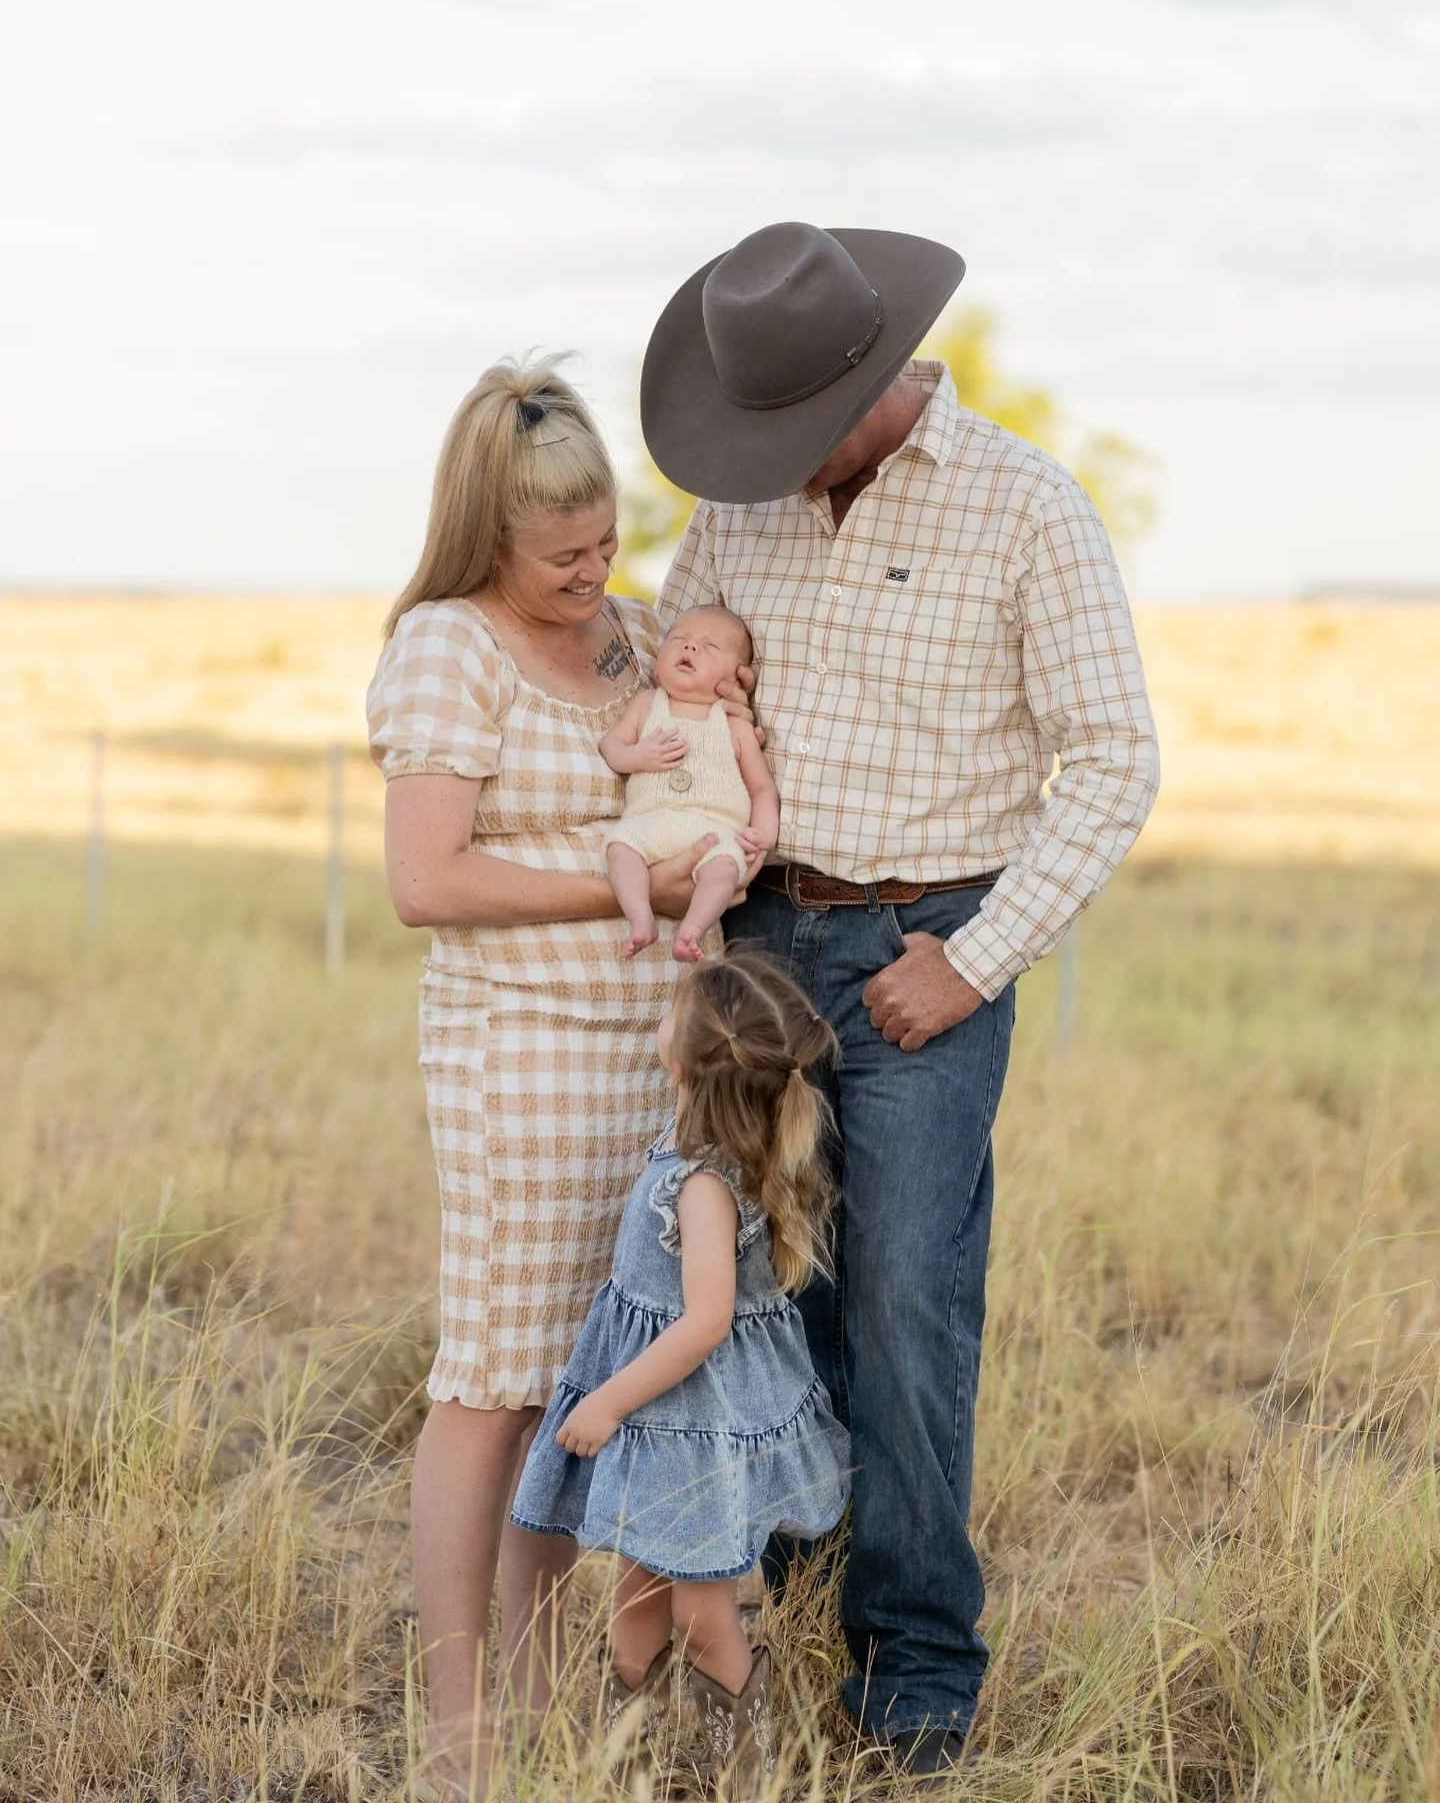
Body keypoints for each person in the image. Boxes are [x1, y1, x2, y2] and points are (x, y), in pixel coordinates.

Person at [641, 221, 1162, 1777]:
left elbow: (1116, 757)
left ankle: (917, 1681)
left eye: (797, 429)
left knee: (910, 1309)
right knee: (771, 1296)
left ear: (878, 382)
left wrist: (977, 958)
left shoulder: (1025, 508)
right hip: (761, 946)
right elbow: (679, 682)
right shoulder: (739, 506)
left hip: (931, 943)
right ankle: (791, 1608)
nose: (773, 462)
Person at [365, 358, 737, 1798]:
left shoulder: (641, 637)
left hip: (652, 1061)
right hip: (517, 1047)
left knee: (594, 1376)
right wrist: (616, 883)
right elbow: (424, 877)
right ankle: (464, 1728)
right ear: (489, 539)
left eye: (606, 545)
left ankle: (538, 1691)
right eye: (562, 556)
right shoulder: (448, 648)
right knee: (495, 1377)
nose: (597, 575)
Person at [510, 950, 850, 1791]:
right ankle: (643, 1767)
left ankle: (748, 1773)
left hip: (685, 1427)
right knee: (634, 1617)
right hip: (665, 1435)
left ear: (689, 1057)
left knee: (703, 1615)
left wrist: (607, 1405)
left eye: (671, 1014)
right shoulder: (690, 1144)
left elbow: (703, 1322)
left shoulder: (702, 1184)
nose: (658, 1024)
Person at [601, 605, 778, 961]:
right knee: (620, 848)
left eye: (709, 647)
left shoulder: (733, 722)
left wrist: (763, 835)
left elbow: (762, 789)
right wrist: (637, 757)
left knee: (724, 870)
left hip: (714, 831)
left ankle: (692, 930)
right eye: (679, 640)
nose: (690, 648)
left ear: (736, 677)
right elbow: (611, 745)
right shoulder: (648, 704)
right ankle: (640, 917)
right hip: (651, 821)